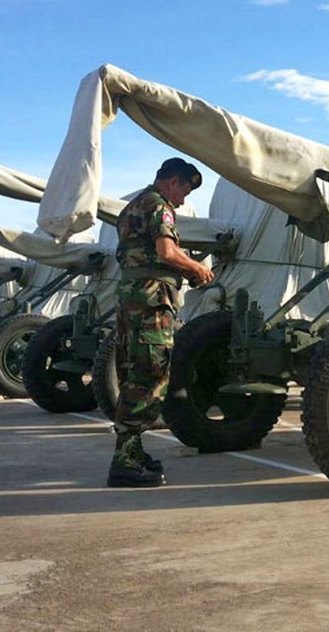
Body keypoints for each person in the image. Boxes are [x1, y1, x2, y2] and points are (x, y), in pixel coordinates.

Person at [107, 157, 214, 489]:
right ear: (172, 182)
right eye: (184, 190)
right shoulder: (159, 205)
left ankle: (133, 452)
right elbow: (167, 251)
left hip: (134, 300)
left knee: (133, 374)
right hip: (152, 304)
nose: (183, 200)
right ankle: (123, 462)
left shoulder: (132, 207)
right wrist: (195, 268)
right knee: (150, 375)